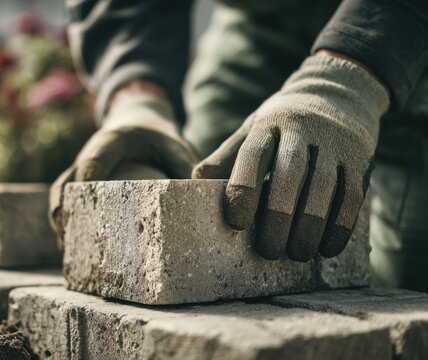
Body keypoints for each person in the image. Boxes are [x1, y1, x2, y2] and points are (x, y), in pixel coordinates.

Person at [50, 0, 428, 292]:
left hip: (404, 30)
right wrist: (136, 97)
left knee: (407, 274)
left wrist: (350, 77)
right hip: (258, 27)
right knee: (208, 195)